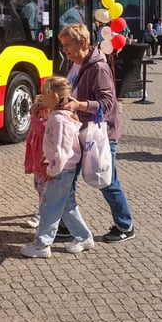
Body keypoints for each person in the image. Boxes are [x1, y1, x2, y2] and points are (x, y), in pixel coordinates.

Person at [59, 23, 135, 243]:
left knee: (107, 180)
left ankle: (125, 225)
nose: (65, 50)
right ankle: (66, 224)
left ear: (82, 43)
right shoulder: (74, 63)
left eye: (68, 45)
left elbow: (108, 103)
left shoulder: (98, 67)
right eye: (63, 46)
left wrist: (79, 105)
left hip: (99, 133)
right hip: (76, 129)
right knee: (67, 178)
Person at [20, 76, 94, 258]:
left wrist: (51, 170)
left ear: (53, 96)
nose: (41, 97)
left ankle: (42, 245)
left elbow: (62, 150)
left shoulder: (58, 119)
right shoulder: (59, 116)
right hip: (65, 169)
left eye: (44, 94)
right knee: (67, 206)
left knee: (49, 207)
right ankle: (84, 237)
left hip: (60, 170)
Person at [23, 95, 48, 230]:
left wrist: (33, 116)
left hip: (45, 167)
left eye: (39, 109)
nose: (36, 112)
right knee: (39, 189)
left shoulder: (45, 124)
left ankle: (42, 214)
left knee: (45, 192)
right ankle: (43, 212)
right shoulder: (39, 122)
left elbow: (40, 128)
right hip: (38, 166)